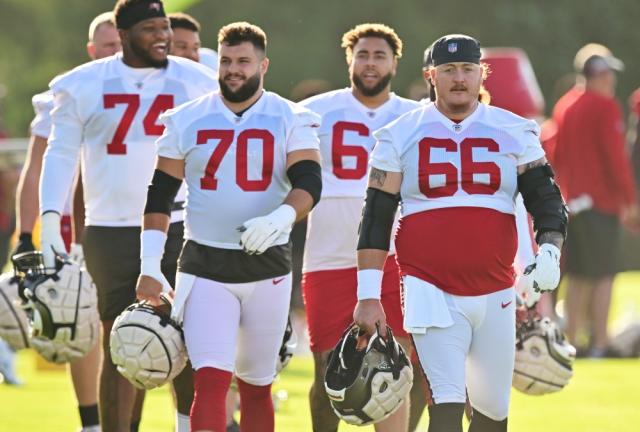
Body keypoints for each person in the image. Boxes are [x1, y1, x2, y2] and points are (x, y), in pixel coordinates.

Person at [353, 34, 568, 432]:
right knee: (447, 405)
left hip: (496, 290)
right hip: (429, 288)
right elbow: (376, 219)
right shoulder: (399, 133)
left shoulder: (514, 129)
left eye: (467, 69)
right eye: (448, 70)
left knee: (492, 416)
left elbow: (547, 201)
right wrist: (368, 296)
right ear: (429, 75)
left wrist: (550, 251)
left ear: (481, 73)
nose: (458, 78)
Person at [38, 1, 218, 431]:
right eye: (150, 28)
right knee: (121, 342)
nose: (163, 36)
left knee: (190, 339)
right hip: (111, 229)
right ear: (123, 33)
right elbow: (60, 154)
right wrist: (49, 220)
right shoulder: (81, 84)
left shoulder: (196, 79)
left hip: (181, 224)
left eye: (165, 27)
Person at [135, 22, 321, 432]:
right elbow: (160, 195)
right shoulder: (187, 118)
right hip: (205, 265)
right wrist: (150, 264)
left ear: (263, 65)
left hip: (267, 265)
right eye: (225, 61)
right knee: (211, 379)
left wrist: (281, 217)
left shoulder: (290, 116)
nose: (233, 69)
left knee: (257, 385)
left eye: (243, 61)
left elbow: (309, 181)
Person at [299, 23, 419, 432]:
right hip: (328, 254)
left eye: (379, 56)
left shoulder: (414, 115)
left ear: (394, 63)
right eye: (363, 55)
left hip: (396, 257)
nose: (370, 63)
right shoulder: (314, 110)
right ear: (349, 58)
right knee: (330, 368)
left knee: (394, 363)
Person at [10, 11, 120, 431]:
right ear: (92, 51)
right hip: (78, 223)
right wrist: (24, 234)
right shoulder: (71, 91)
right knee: (81, 320)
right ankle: (91, 422)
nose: (116, 54)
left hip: (138, 219)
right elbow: (35, 171)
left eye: (120, 45)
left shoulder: (160, 87)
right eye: (107, 47)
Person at [553, 43, 638, 357]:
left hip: (573, 205)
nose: (611, 81)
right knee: (603, 275)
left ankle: (572, 341)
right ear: (598, 74)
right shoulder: (605, 106)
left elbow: (556, 155)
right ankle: (600, 342)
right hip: (601, 204)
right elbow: (615, 159)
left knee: (577, 274)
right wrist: (629, 200)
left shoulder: (565, 105)